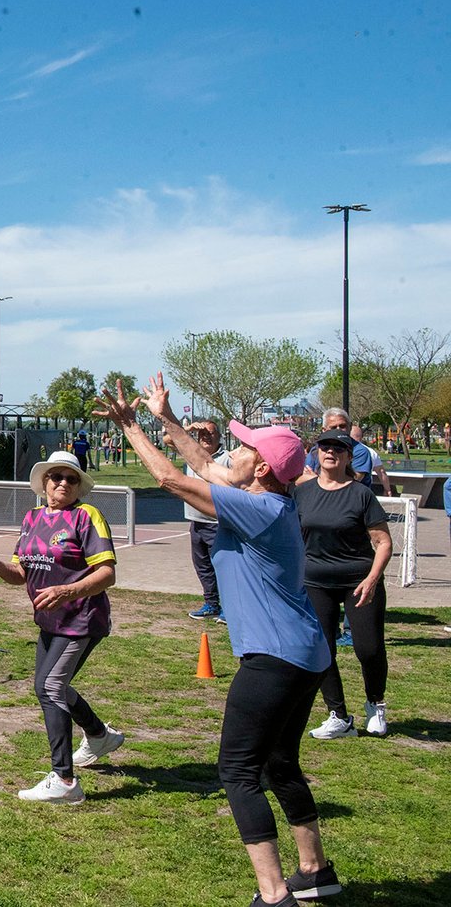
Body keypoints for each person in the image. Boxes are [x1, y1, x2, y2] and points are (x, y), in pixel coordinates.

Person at [102, 375, 341, 906]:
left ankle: (273, 894)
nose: (231, 450)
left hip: (276, 657)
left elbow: (170, 479)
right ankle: (315, 870)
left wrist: (131, 426)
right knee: (280, 762)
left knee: (237, 771)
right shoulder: (262, 497)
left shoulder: (256, 509)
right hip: (306, 653)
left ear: (261, 469)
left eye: (244, 447)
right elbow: (207, 467)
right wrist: (166, 419)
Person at [0, 449, 122, 804]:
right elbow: (20, 573)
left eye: (71, 478)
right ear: (44, 482)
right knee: (54, 686)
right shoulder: (32, 518)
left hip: (81, 619)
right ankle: (99, 735)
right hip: (49, 620)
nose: (63, 483)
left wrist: (68, 591)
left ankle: (65, 781)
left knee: (50, 687)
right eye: (57, 476)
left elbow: (107, 573)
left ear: (79, 486)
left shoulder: (86, 516)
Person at [294, 431, 393, 739]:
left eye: (339, 448)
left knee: (369, 649)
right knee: (322, 649)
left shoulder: (361, 494)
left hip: (359, 581)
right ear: (316, 453)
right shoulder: (302, 492)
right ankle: (338, 715)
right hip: (315, 581)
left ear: (349, 456)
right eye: (325, 446)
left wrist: (372, 579)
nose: (331, 452)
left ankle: (375, 704)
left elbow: (383, 542)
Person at [181, 420, 231, 623]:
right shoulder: (191, 454)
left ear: (219, 435)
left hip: (217, 523)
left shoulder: (227, 458)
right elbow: (167, 440)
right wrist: (188, 430)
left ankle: (229, 608)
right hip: (196, 521)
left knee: (222, 567)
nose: (206, 437)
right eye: (202, 434)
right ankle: (211, 604)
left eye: (210, 433)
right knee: (202, 567)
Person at [302, 407, 373, 485]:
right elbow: (301, 478)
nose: (338, 430)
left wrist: (315, 479)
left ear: (350, 427)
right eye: (333, 427)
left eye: (342, 426)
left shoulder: (360, 452)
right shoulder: (317, 449)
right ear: (324, 430)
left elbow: (351, 481)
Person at [349, 424, 393, 498]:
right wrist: (387, 490)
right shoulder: (371, 451)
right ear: (361, 437)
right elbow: (381, 472)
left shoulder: (347, 449)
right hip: (363, 491)